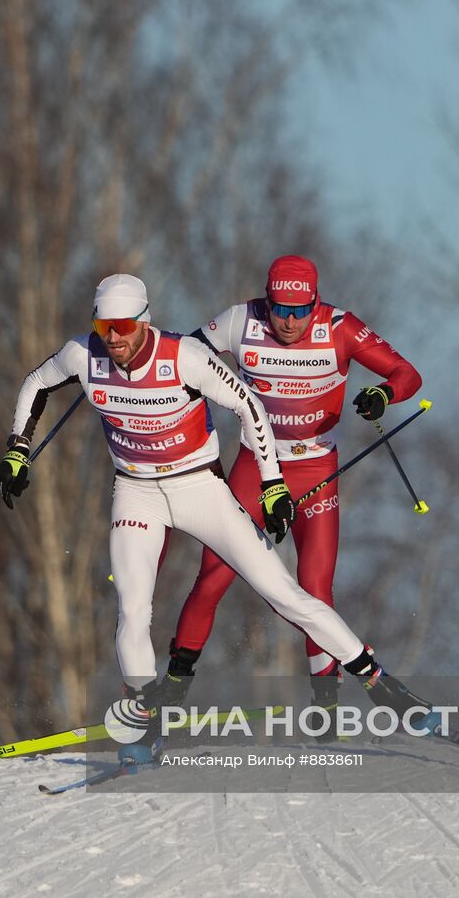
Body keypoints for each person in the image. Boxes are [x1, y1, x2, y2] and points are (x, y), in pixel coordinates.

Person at [0, 272, 431, 763]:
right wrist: (18, 449)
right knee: (134, 609)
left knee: (287, 593)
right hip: (136, 493)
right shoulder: (83, 355)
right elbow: (37, 381)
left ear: (143, 320)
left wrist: (271, 487)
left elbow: (250, 408)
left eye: (121, 325)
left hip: (199, 488)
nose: (112, 337)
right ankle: (142, 727)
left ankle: (379, 685)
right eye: (103, 325)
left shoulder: (185, 357)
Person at [164, 255, 422, 740]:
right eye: (280, 308)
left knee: (315, 590)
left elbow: (408, 374)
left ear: (316, 303)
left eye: (300, 311)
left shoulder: (341, 328)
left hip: (317, 470)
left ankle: (326, 708)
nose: (288, 321)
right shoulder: (241, 320)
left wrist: (383, 395)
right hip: (254, 468)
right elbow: (179, 356)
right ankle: (171, 691)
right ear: (267, 298)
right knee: (214, 577)